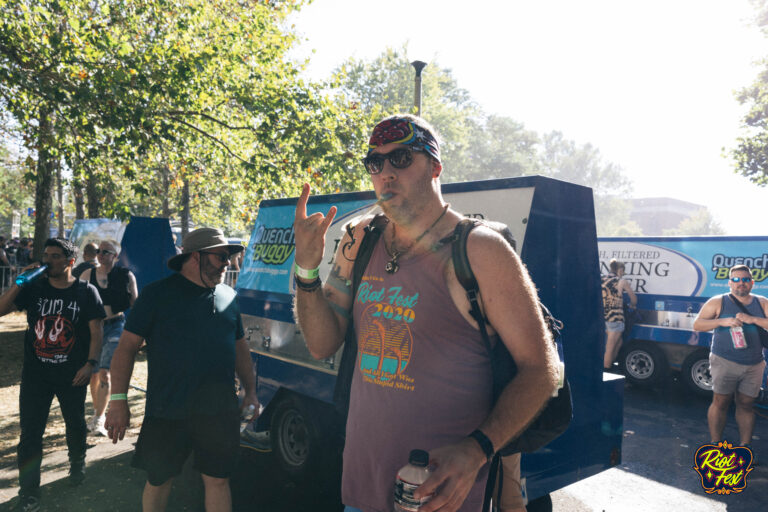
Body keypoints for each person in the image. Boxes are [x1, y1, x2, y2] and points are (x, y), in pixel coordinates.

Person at [293, 115, 559, 512]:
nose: (386, 173)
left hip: (444, 499)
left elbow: (541, 371)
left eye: (401, 159)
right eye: (375, 163)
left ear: (435, 167)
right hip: (361, 493)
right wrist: (306, 269)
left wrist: (476, 450)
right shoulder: (359, 241)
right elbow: (321, 344)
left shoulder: (479, 250)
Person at [105, 227, 258, 512]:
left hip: (218, 410)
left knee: (218, 480)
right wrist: (117, 400)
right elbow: (125, 349)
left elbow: (240, 349)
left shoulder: (228, 296)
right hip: (168, 409)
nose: (228, 262)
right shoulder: (156, 295)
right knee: (160, 479)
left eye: (229, 256)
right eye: (222, 256)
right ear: (196, 257)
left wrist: (251, 392)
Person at [0, 238, 105, 512]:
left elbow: (96, 332)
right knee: (30, 435)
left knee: (75, 424)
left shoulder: (86, 292)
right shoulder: (34, 287)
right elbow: (1, 310)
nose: (48, 261)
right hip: (36, 375)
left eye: (55, 256)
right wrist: (19, 282)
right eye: (46, 255)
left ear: (70, 261)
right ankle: (29, 492)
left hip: (72, 374)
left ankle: (77, 461)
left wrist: (91, 363)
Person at [693, 264, 767, 451]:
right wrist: (722, 321)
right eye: (735, 280)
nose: (740, 283)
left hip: (754, 364)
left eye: (744, 280)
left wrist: (754, 320)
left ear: (752, 283)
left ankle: (745, 447)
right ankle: (716, 444)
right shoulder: (718, 301)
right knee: (721, 402)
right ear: (729, 283)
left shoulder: (762, 302)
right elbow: (698, 325)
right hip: (724, 361)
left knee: (746, 404)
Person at [80, 240, 137, 436]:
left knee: (105, 372)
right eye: (98, 251)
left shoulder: (125, 275)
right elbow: (78, 301)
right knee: (93, 374)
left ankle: (99, 416)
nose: (101, 255)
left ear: (115, 255)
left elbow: (135, 304)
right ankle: (98, 414)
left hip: (116, 326)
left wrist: (139, 332)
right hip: (94, 328)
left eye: (106, 252)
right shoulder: (88, 274)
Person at [601, 259, 637, 371]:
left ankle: (609, 364)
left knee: (619, 341)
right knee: (610, 347)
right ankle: (606, 370)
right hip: (615, 317)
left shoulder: (601, 279)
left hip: (602, 316)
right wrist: (632, 305)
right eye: (623, 271)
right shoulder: (621, 281)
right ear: (620, 270)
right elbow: (634, 299)